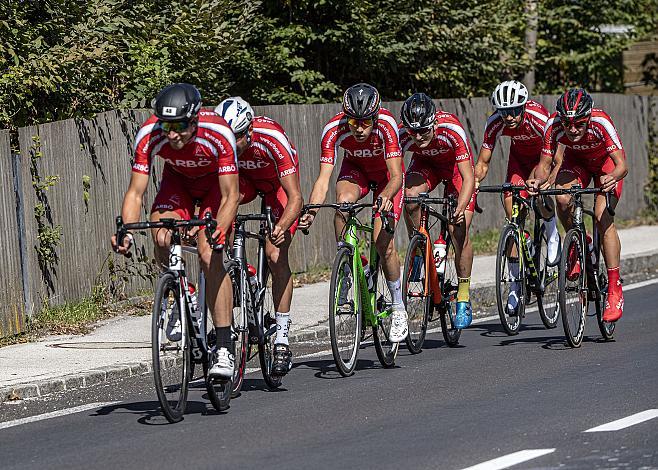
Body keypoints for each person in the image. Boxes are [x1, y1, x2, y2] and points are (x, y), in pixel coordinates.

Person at [111, 83, 240, 379]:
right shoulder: (150, 134)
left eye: (179, 126)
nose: (171, 134)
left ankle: (223, 345)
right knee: (160, 233)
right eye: (167, 125)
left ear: (194, 119)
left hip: (214, 188)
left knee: (209, 255)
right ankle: (184, 295)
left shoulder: (219, 133)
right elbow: (135, 193)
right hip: (178, 183)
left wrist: (219, 228)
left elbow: (231, 195)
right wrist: (127, 230)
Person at [298, 82, 409, 342]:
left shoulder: (387, 125)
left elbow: (396, 175)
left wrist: (385, 196)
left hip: (386, 178)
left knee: (384, 244)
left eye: (365, 122)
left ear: (375, 116)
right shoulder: (333, 129)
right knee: (342, 204)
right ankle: (348, 266)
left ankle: (398, 306)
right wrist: (312, 211)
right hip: (355, 169)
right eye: (353, 122)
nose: (359, 128)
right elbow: (324, 179)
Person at [215, 97, 303, 376]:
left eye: (237, 137)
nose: (231, 144)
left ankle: (282, 339)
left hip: (277, 185)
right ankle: (239, 272)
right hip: (246, 183)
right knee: (221, 220)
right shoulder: (222, 145)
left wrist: (281, 226)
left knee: (276, 254)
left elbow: (295, 197)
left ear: (249, 131)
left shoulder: (271, 138)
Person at [528, 88, 628, 322]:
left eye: (579, 124)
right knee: (562, 199)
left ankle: (614, 288)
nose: (572, 130)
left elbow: (622, 165)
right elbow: (544, 163)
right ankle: (578, 242)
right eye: (567, 124)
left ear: (588, 118)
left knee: (603, 217)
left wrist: (612, 176)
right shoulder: (553, 124)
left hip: (605, 165)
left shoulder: (601, 121)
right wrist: (538, 180)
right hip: (577, 163)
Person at [475, 80, 560, 314]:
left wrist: (548, 178)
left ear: (523, 106)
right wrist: (473, 183)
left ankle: (552, 231)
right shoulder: (495, 123)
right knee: (512, 214)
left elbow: (556, 150)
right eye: (504, 112)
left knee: (538, 191)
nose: (509, 117)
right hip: (518, 161)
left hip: (543, 158)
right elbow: (483, 162)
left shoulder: (538, 116)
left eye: (513, 111)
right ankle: (515, 286)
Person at [400, 92, 476, 328]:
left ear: (433, 122)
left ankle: (463, 296)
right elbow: (392, 175)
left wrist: (461, 207)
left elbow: (468, 177)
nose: (418, 136)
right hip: (426, 166)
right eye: (414, 132)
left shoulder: (452, 129)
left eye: (424, 130)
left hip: (455, 169)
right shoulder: (403, 134)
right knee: (409, 197)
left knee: (457, 229)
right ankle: (420, 249)